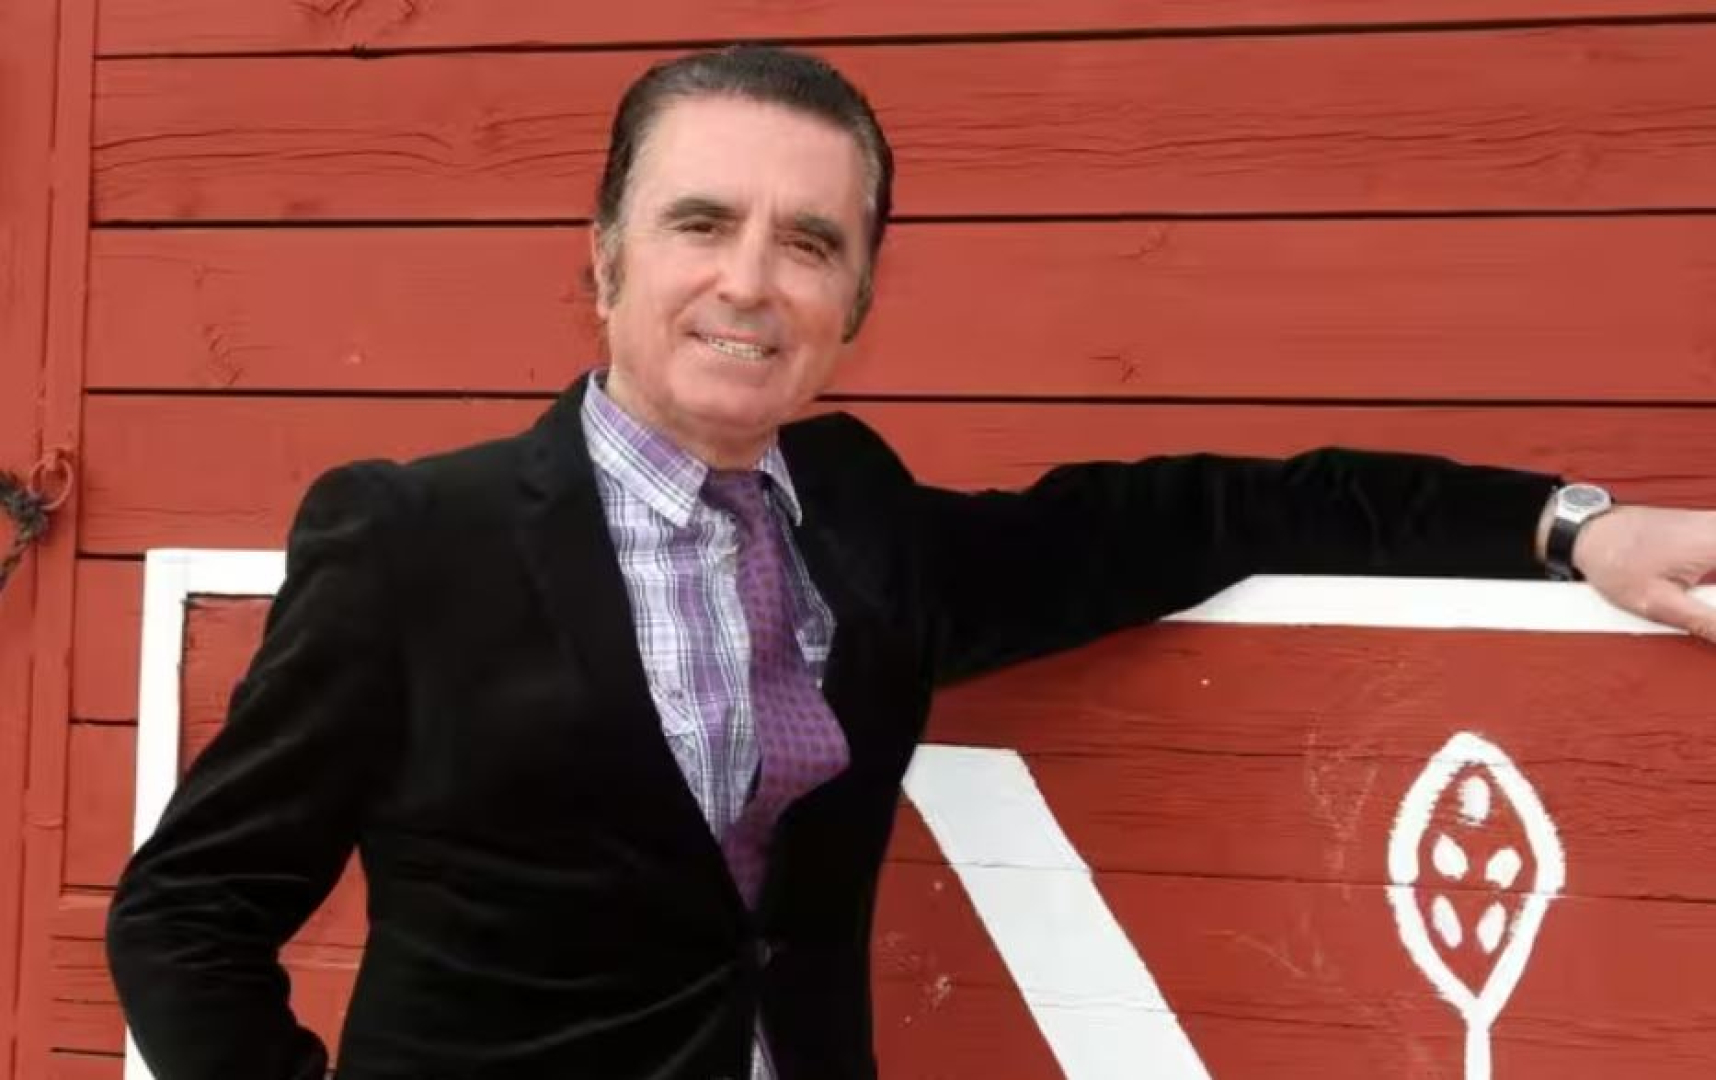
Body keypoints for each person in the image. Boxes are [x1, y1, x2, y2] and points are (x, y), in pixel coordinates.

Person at [106, 44, 1716, 1080]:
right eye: (701, 223)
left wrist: (1568, 526)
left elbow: (1209, 512)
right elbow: (187, 914)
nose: (752, 281)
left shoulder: (858, 518)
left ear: (857, 304)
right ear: (601, 258)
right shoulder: (413, 538)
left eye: (810, 243)